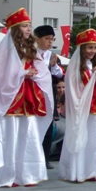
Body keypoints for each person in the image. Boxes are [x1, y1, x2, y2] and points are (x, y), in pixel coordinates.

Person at [0, 8, 54, 189]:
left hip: (27, 98)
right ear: (16, 28)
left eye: (29, 26)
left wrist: (34, 74)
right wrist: (22, 73)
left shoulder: (31, 48)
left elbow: (42, 71)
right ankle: (5, 175)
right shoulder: (4, 50)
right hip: (9, 100)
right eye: (24, 26)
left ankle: (27, 174)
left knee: (27, 134)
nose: (28, 29)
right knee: (8, 136)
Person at [58, 28, 96, 183]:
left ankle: (94, 170)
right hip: (82, 107)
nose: (93, 51)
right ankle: (78, 171)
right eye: (89, 47)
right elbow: (74, 87)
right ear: (82, 48)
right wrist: (92, 74)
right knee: (80, 136)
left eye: (95, 47)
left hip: (95, 107)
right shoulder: (75, 67)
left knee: (94, 137)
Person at [34, 24, 64, 170]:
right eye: (47, 39)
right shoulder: (30, 54)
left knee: (47, 126)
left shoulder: (52, 56)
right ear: (37, 39)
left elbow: (60, 75)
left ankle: (45, 158)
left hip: (48, 94)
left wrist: (54, 66)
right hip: (34, 93)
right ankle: (33, 158)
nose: (50, 42)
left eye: (52, 39)